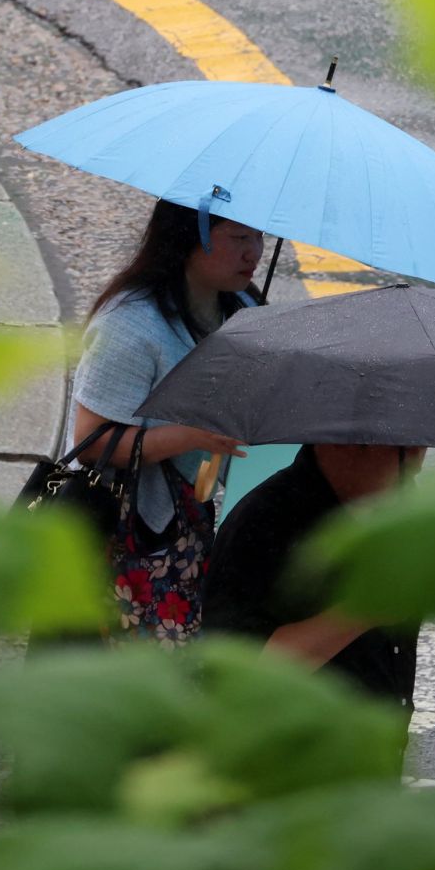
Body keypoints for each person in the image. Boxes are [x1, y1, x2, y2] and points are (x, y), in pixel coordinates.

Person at [70, 198, 264, 638]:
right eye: (239, 237)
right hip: (125, 531)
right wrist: (192, 434)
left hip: (191, 520)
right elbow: (93, 440)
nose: (255, 252)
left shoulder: (242, 310)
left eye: (259, 236)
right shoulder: (131, 323)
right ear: (188, 235)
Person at [201, 443, 427, 732]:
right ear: (340, 444)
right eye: (404, 449)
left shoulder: (396, 506)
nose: (417, 464)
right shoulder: (262, 524)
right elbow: (235, 674)